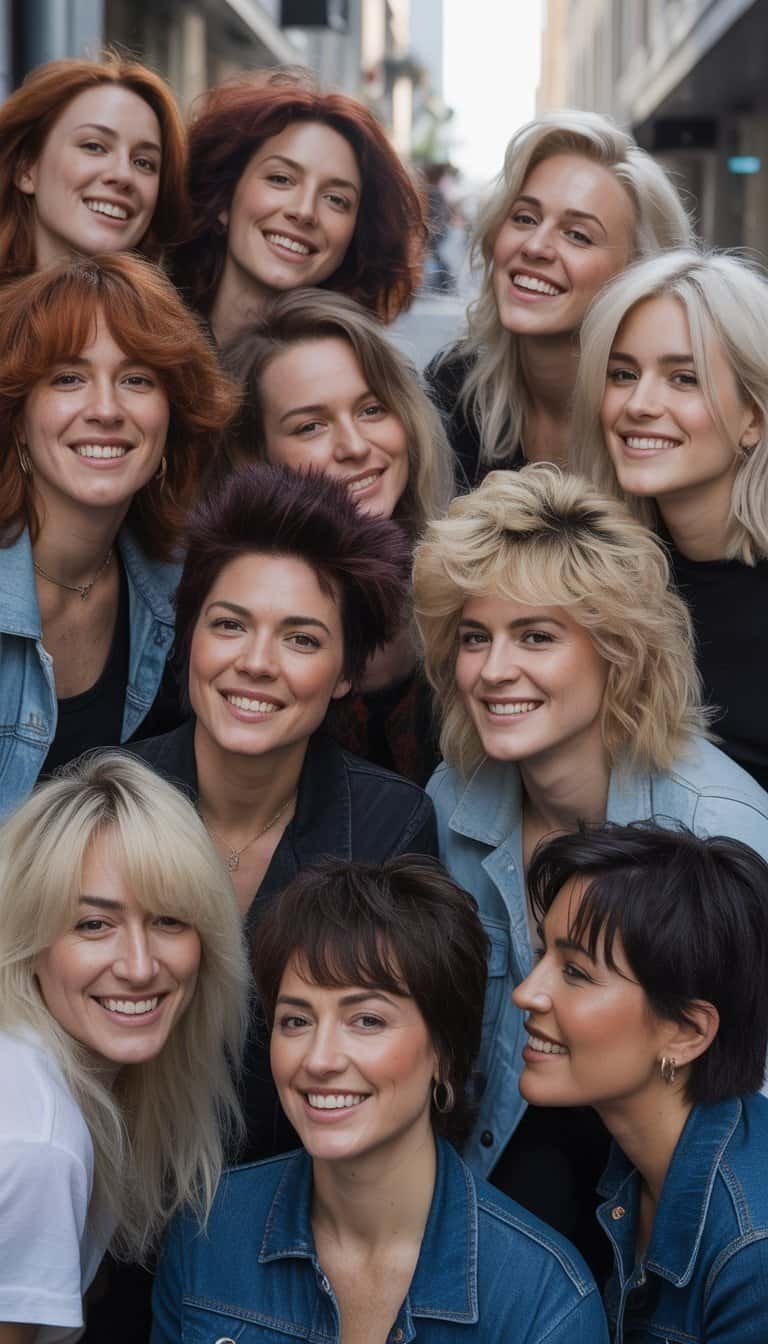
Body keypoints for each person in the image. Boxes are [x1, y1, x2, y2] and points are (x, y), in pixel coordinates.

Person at [412, 464, 768, 1265]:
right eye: (475, 637)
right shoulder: (454, 798)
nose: (494, 670)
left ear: (618, 652)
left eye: (536, 636)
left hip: (675, 1205)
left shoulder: (719, 828)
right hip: (505, 1164)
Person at [152, 855, 609, 1343]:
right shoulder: (208, 1231)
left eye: (366, 1020)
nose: (320, 1059)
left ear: (445, 1053)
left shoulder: (541, 1298)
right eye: (297, 1021)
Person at [131, 462, 437, 1161]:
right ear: (189, 639)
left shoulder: (391, 827)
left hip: (299, 1197)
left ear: (347, 674)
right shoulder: (109, 797)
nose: (257, 663)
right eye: (230, 625)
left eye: (301, 639)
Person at [0, 751, 249, 1342]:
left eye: (168, 920)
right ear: (31, 941)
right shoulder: (39, 1144)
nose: (139, 968)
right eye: (93, 925)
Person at [0, 253, 237, 819]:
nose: (106, 409)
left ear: (170, 416)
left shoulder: (184, 590)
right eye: (68, 378)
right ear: (19, 418)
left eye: (136, 379)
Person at [515, 822, 768, 1341]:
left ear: (686, 1032)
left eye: (576, 973)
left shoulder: (752, 1251)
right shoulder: (634, 1155)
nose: (526, 993)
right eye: (544, 955)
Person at [222, 287, 454, 782]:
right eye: (310, 427)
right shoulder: (223, 619)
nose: (353, 446)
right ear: (256, 455)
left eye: (372, 410)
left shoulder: (466, 592)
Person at [572, 249, 768, 791]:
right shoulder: (594, 586)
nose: (639, 403)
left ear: (752, 416)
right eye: (622, 374)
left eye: (684, 378)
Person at [425, 110, 693, 489]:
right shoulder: (452, 395)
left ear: (638, 273)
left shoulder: (667, 423)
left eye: (578, 235)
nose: (536, 247)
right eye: (525, 218)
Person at [171, 71, 426, 345]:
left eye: (336, 199)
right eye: (280, 179)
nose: (305, 212)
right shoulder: (142, 338)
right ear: (223, 199)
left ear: (356, 235)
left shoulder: (360, 378)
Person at [0, 52, 187, 279]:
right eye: (94, 146)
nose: (123, 175)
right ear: (25, 168)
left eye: (143, 162)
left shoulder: (171, 315)